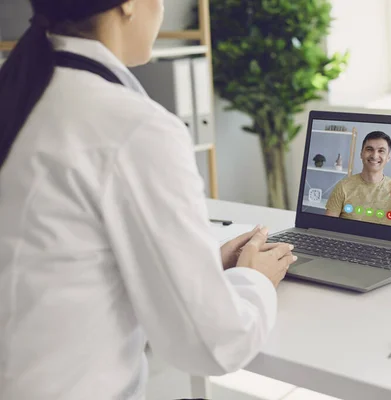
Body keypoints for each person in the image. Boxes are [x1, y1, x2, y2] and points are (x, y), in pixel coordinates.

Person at [0, 1, 297, 399]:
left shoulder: (24, 92)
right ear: (129, 5)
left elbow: (65, 263)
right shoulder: (133, 126)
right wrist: (256, 279)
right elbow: (213, 343)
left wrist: (201, 265)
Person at [325, 131, 391, 230]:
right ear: (361, 154)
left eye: (381, 151)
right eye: (369, 149)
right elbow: (327, 227)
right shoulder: (343, 186)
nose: (374, 155)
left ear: (388, 157)